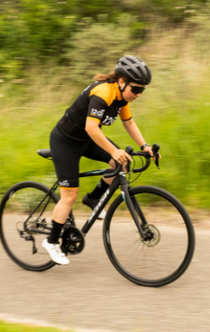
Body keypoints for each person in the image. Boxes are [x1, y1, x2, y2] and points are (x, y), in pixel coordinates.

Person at [42, 55, 156, 265]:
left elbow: (129, 123)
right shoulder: (103, 93)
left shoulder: (122, 97)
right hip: (66, 141)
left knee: (122, 162)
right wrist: (113, 150)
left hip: (87, 140)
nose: (138, 94)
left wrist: (145, 146)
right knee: (69, 195)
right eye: (136, 89)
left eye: (142, 90)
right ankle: (51, 241)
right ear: (121, 82)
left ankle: (93, 199)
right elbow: (91, 127)